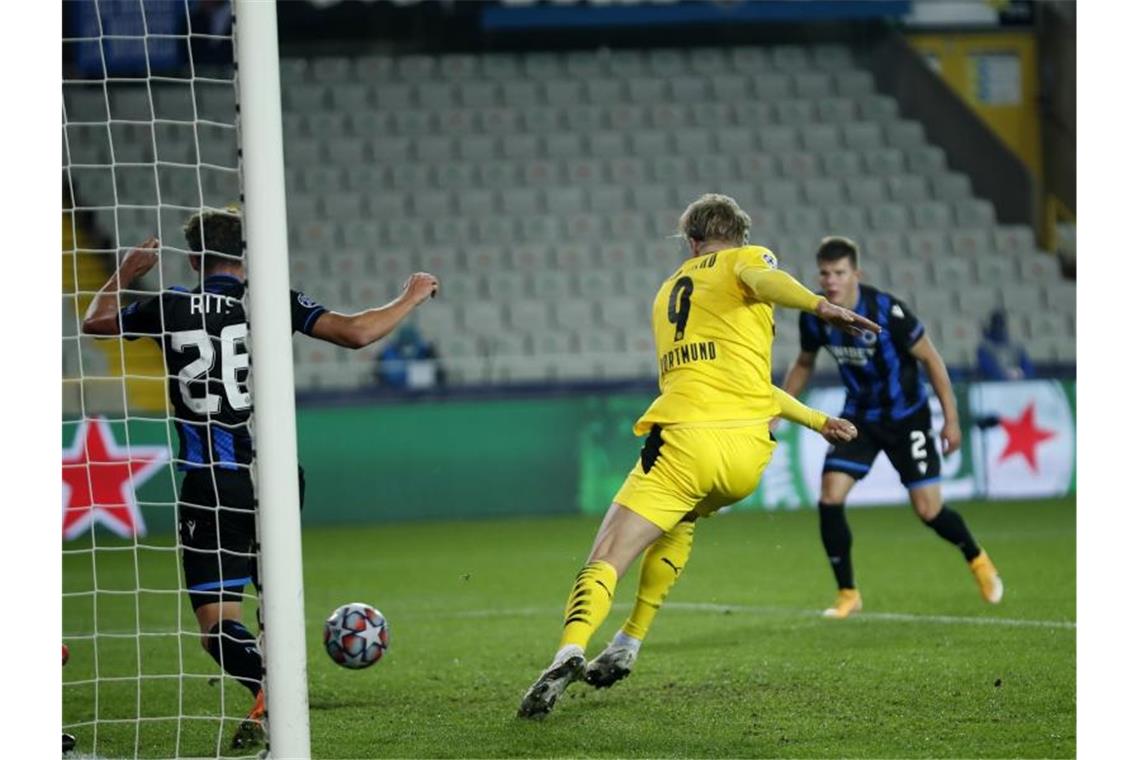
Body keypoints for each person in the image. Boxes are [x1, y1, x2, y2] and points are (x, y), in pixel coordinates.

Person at [82, 207, 439, 748]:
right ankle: (275, 693)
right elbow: (358, 333)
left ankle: (268, 687)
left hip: (210, 484)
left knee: (218, 626)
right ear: (246, 256)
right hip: (271, 477)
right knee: (274, 603)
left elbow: (95, 321)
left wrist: (127, 272)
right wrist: (410, 296)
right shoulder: (269, 301)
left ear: (195, 257)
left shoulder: (170, 305)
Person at [516, 194, 880, 719]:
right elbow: (754, 371)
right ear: (741, 233)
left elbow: (763, 279)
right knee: (683, 518)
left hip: (687, 441)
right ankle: (629, 640)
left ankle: (569, 649)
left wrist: (820, 306)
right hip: (746, 457)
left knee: (606, 558)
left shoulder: (669, 292)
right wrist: (820, 420)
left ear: (691, 241)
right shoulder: (746, 265)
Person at [778, 236, 1003, 620]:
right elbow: (803, 363)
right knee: (830, 496)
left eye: (839, 273)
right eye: (825, 273)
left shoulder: (886, 310)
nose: (831, 281)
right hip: (860, 419)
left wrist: (949, 419)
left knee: (928, 510)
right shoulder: (815, 313)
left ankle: (977, 557)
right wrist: (776, 407)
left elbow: (931, 359)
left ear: (856, 274)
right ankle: (847, 593)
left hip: (907, 418)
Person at [976, 308, 1036, 380]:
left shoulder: (1017, 346)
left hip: (1019, 382)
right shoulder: (984, 347)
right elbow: (988, 369)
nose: (999, 327)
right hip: (995, 385)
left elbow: (1028, 367)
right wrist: (1005, 375)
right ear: (991, 326)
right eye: (996, 324)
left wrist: (1020, 374)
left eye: (1001, 324)